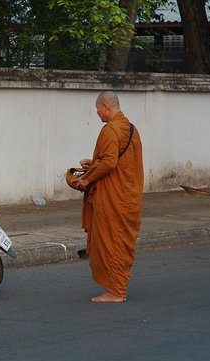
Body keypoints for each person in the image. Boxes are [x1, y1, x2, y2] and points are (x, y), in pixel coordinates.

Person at [73, 91, 144, 303]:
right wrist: (93, 163)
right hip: (128, 195)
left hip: (114, 199)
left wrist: (86, 179)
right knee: (121, 242)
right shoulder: (131, 129)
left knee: (111, 242)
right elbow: (118, 161)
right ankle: (118, 287)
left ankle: (115, 291)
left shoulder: (110, 130)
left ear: (105, 106)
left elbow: (110, 163)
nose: (98, 114)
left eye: (98, 110)